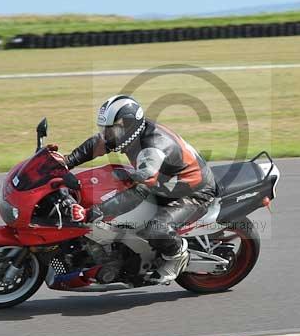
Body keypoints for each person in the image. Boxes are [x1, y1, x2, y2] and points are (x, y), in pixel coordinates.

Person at [64, 95, 217, 284]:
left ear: (128, 126)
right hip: (164, 185)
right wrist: (67, 161)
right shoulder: (132, 133)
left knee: (155, 229)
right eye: (105, 129)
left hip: (193, 192)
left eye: (111, 130)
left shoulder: (153, 150)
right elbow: (98, 143)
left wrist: (94, 212)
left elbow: (139, 192)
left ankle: (178, 255)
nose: (107, 135)